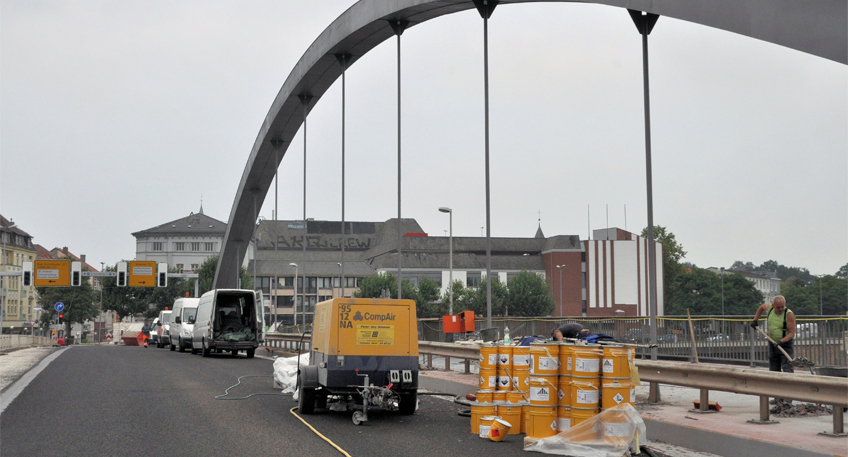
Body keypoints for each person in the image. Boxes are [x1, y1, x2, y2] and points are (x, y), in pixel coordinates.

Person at [751, 295, 796, 406]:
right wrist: (755, 319)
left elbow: (792, 333)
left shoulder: (788, 314)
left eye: (782, 307)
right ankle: (778, 397)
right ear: (773, 306)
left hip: (785, 344)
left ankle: (788, 399)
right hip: (772, 343)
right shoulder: (769, 308)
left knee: (787, 370)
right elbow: (761, 307)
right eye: (778, 307)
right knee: (774, 370)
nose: (780, 309)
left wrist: (781, 341)